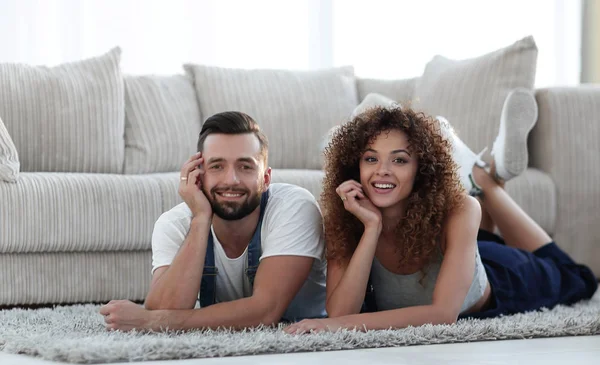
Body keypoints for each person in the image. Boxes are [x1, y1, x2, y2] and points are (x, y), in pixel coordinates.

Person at [284, 103, 597, 334]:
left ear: (421, 168)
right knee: (478, 240)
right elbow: (340, 312)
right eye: (370, 158)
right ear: (356, 166)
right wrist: (372, 228)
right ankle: (483, 175)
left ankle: (484, 180)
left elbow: (444, 313)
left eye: (400, 159)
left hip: (501, 279)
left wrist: (331, 326)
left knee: (578, 278)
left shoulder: (461, 209)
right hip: (458, 254)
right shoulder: (347, 214)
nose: (382, 170)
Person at [100, 111, 327, 331]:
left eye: (245, 167)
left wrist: (150, 322)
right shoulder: (175, 223)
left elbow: (265, 312)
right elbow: (165, 308)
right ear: (198, 175)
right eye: (217, 166)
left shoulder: (293, 206)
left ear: (266, 178)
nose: (231, 180)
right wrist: (200, 219)